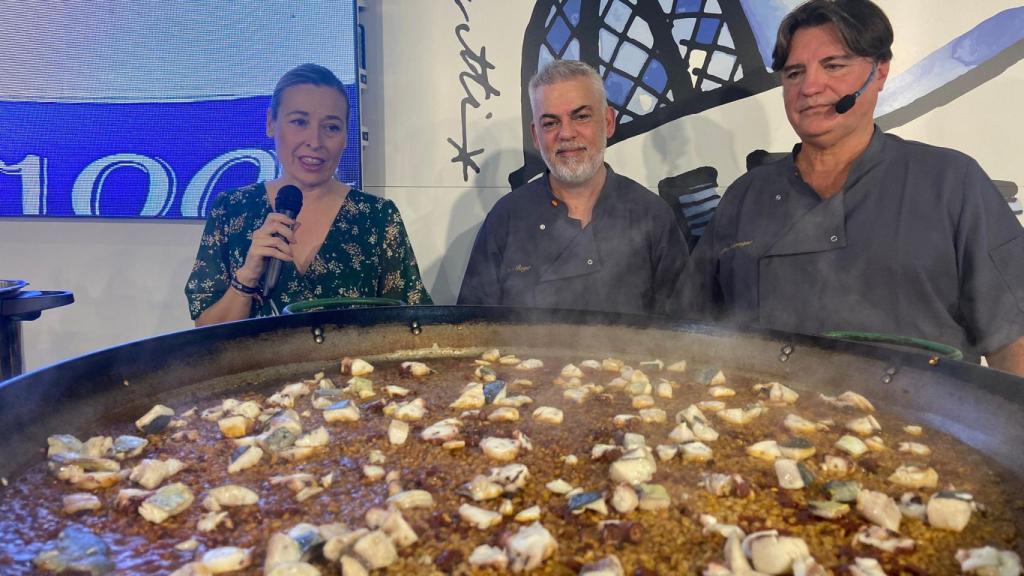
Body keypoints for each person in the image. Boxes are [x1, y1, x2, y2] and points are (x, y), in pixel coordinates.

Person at [676, 0, 1024, 374]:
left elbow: (1014, 342)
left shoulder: (951, 182)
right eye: (794, 73)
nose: (810, 87)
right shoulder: (745, 197)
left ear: (879, 72)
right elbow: (688, 334)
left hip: (921, 409)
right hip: (764, 409)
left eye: (833, 66)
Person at [186, 64, 431, 325]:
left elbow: (413, 323)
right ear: (271, 123)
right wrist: (247, 276)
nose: (315, 141)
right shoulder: (232, 209)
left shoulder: (377, 216)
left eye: (331, 127)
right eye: (299, 122)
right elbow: (207, 331)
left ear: (346, 136)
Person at [458, 60, 689, 315]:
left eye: (581, 117)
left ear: (608, 122)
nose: (566, 133)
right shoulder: (507, 218)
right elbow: (471, 326)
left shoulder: (651, 215)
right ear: (536, 136)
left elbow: (683, 326)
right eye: (550, 123)